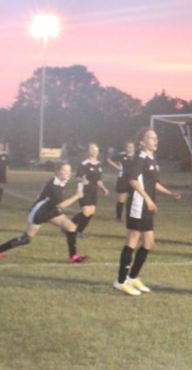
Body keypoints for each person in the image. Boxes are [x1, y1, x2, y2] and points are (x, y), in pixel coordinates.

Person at [113, 127, 181, 296]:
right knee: (132, 240)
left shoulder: (152, 159)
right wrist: (148, 199)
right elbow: (132, 181)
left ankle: (132, 277)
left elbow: (153, 184)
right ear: (142, 142)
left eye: (156, 138)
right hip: (138, 205)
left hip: (146, 206)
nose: (156, 141)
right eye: (151, 138)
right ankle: (121, 281)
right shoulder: (140, 159)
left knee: (148, 243)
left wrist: (169, 193)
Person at [0, 161, 87, 263]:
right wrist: (77, 196)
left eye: (69, 170)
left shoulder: (62, 180)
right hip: (40, 212)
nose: (68, 173)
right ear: (58, 172)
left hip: (51, 210)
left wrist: (81, 181)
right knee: (26, 239)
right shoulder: (54, 184)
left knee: (71, 227)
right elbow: (61, 205)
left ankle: (73, 257)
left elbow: (71, 182)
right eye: (65, 170)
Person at [72, 142, 110, 238]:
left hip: (93, 191)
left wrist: (104, 189)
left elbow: (98, 180)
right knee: (85, 211)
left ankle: (77, 229)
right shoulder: (84, 164)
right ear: (87, 151)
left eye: (96, 149)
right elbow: (77, 177)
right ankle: (74, 230)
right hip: (83, 190)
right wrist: (82, 180)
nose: (94, 151)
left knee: (91, 212)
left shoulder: (99, 165)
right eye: (92, 149)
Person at [106, 140, 136, 222]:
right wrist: (118, 167)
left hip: (134, 179)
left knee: (133, 199)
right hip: (123, 179)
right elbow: (109, 160)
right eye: (128, 146)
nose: (130, 148)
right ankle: (118, 217)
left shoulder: (137, 156)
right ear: (125, 147)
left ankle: (131, 217)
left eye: (132, 147)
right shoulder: (121, 155)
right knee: (121, 198)